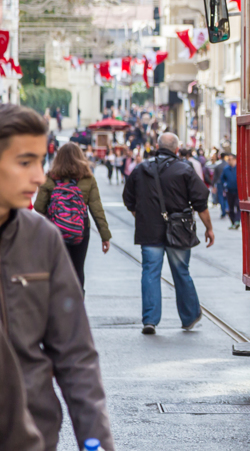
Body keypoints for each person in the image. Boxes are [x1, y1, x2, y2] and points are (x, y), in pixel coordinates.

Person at [0, 104, 115, 450]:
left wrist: (96, 443)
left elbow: (76, 356)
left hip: (33, 435)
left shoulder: (42, 238)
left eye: (40, 161)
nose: (37, 176)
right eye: (25, 162)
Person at [123, 132, 214, 335]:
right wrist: (209, 227)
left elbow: (128, 199)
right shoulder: (184, 169)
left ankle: (150, 319)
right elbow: (201, 202)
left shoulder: (140, 169)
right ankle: (189, 317)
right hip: (179, 231)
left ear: (157, 146)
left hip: (149, 230)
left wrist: (142, 216)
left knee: (150, 272)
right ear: (176, 149)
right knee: (181, 271)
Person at [33, 142, 112, 290]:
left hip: (55, 230)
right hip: (80, 230)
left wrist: (54, 214)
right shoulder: (88, 178)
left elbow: (38, 206)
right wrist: (105, 235)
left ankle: (58, 305)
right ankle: (77, 305)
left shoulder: (49, 178)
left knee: (57, 269)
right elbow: (96, 209)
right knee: (78, 268)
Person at [219, 153, 239, 230]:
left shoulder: (239, 168)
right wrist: (225, 185)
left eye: (230, 159)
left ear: (234, 159)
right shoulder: (226, 169)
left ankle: (237, 221)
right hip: (229, 190)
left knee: (237, 205)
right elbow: (222, 178)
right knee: (230, 207)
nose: (228, 161)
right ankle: (233, 222)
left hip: (237, 191)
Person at [212, 151, 229, 218]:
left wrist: (213, 185)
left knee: (221, 197)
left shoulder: (218, 166)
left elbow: (215, 177)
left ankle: (223, 211)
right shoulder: (227, 165)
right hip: (226, 183)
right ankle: (227, 208)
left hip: (219, 183)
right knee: (226, 196)